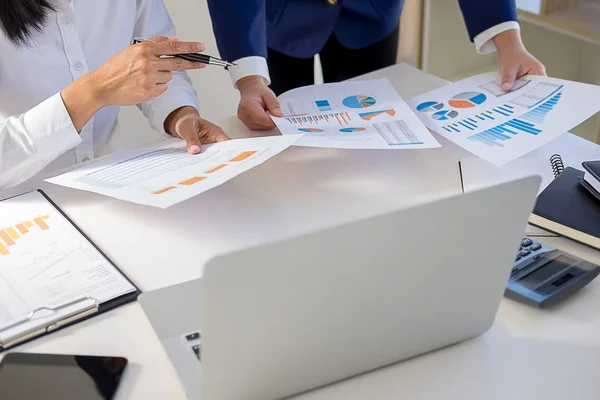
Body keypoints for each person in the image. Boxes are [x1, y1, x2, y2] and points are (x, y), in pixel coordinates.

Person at [207, 0, 546, 130]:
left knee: (375, 127)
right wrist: (249, 78)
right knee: (284, 130)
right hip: (281, 18)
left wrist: (508, 40)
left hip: (372, 15)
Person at [0, 0, 229, 191]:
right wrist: (94, 91)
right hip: (21, 206)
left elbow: (153, 63)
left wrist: (180, 116)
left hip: (108, 187)